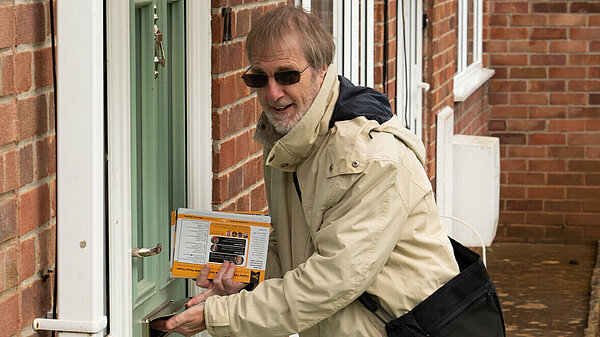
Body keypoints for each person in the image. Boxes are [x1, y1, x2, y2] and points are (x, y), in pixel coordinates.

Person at [156, 5, 459, 337]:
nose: (272, 93)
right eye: (259, 78)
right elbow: (296, 249)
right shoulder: (290, 138)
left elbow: (332, 279)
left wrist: (219, 315)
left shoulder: (371, 157)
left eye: (287, 75)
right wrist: (242, 276)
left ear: (322, 70)